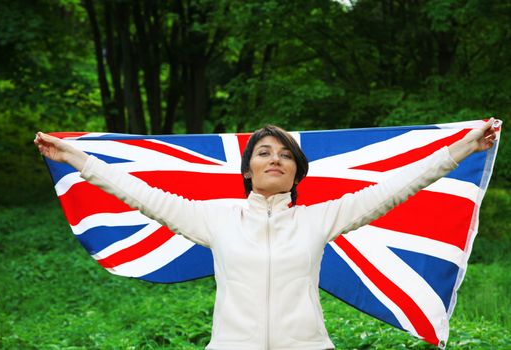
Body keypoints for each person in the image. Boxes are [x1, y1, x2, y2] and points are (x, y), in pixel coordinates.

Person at [34, 119, 497, 350]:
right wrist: (75, 158)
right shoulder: (214, 218)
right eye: (264, 152)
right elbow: (138, 192)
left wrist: (461, 149)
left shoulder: (321, 218)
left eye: (285, 155)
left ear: (297, 171)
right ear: (249, 167)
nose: (274, 159)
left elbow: (398, 186)